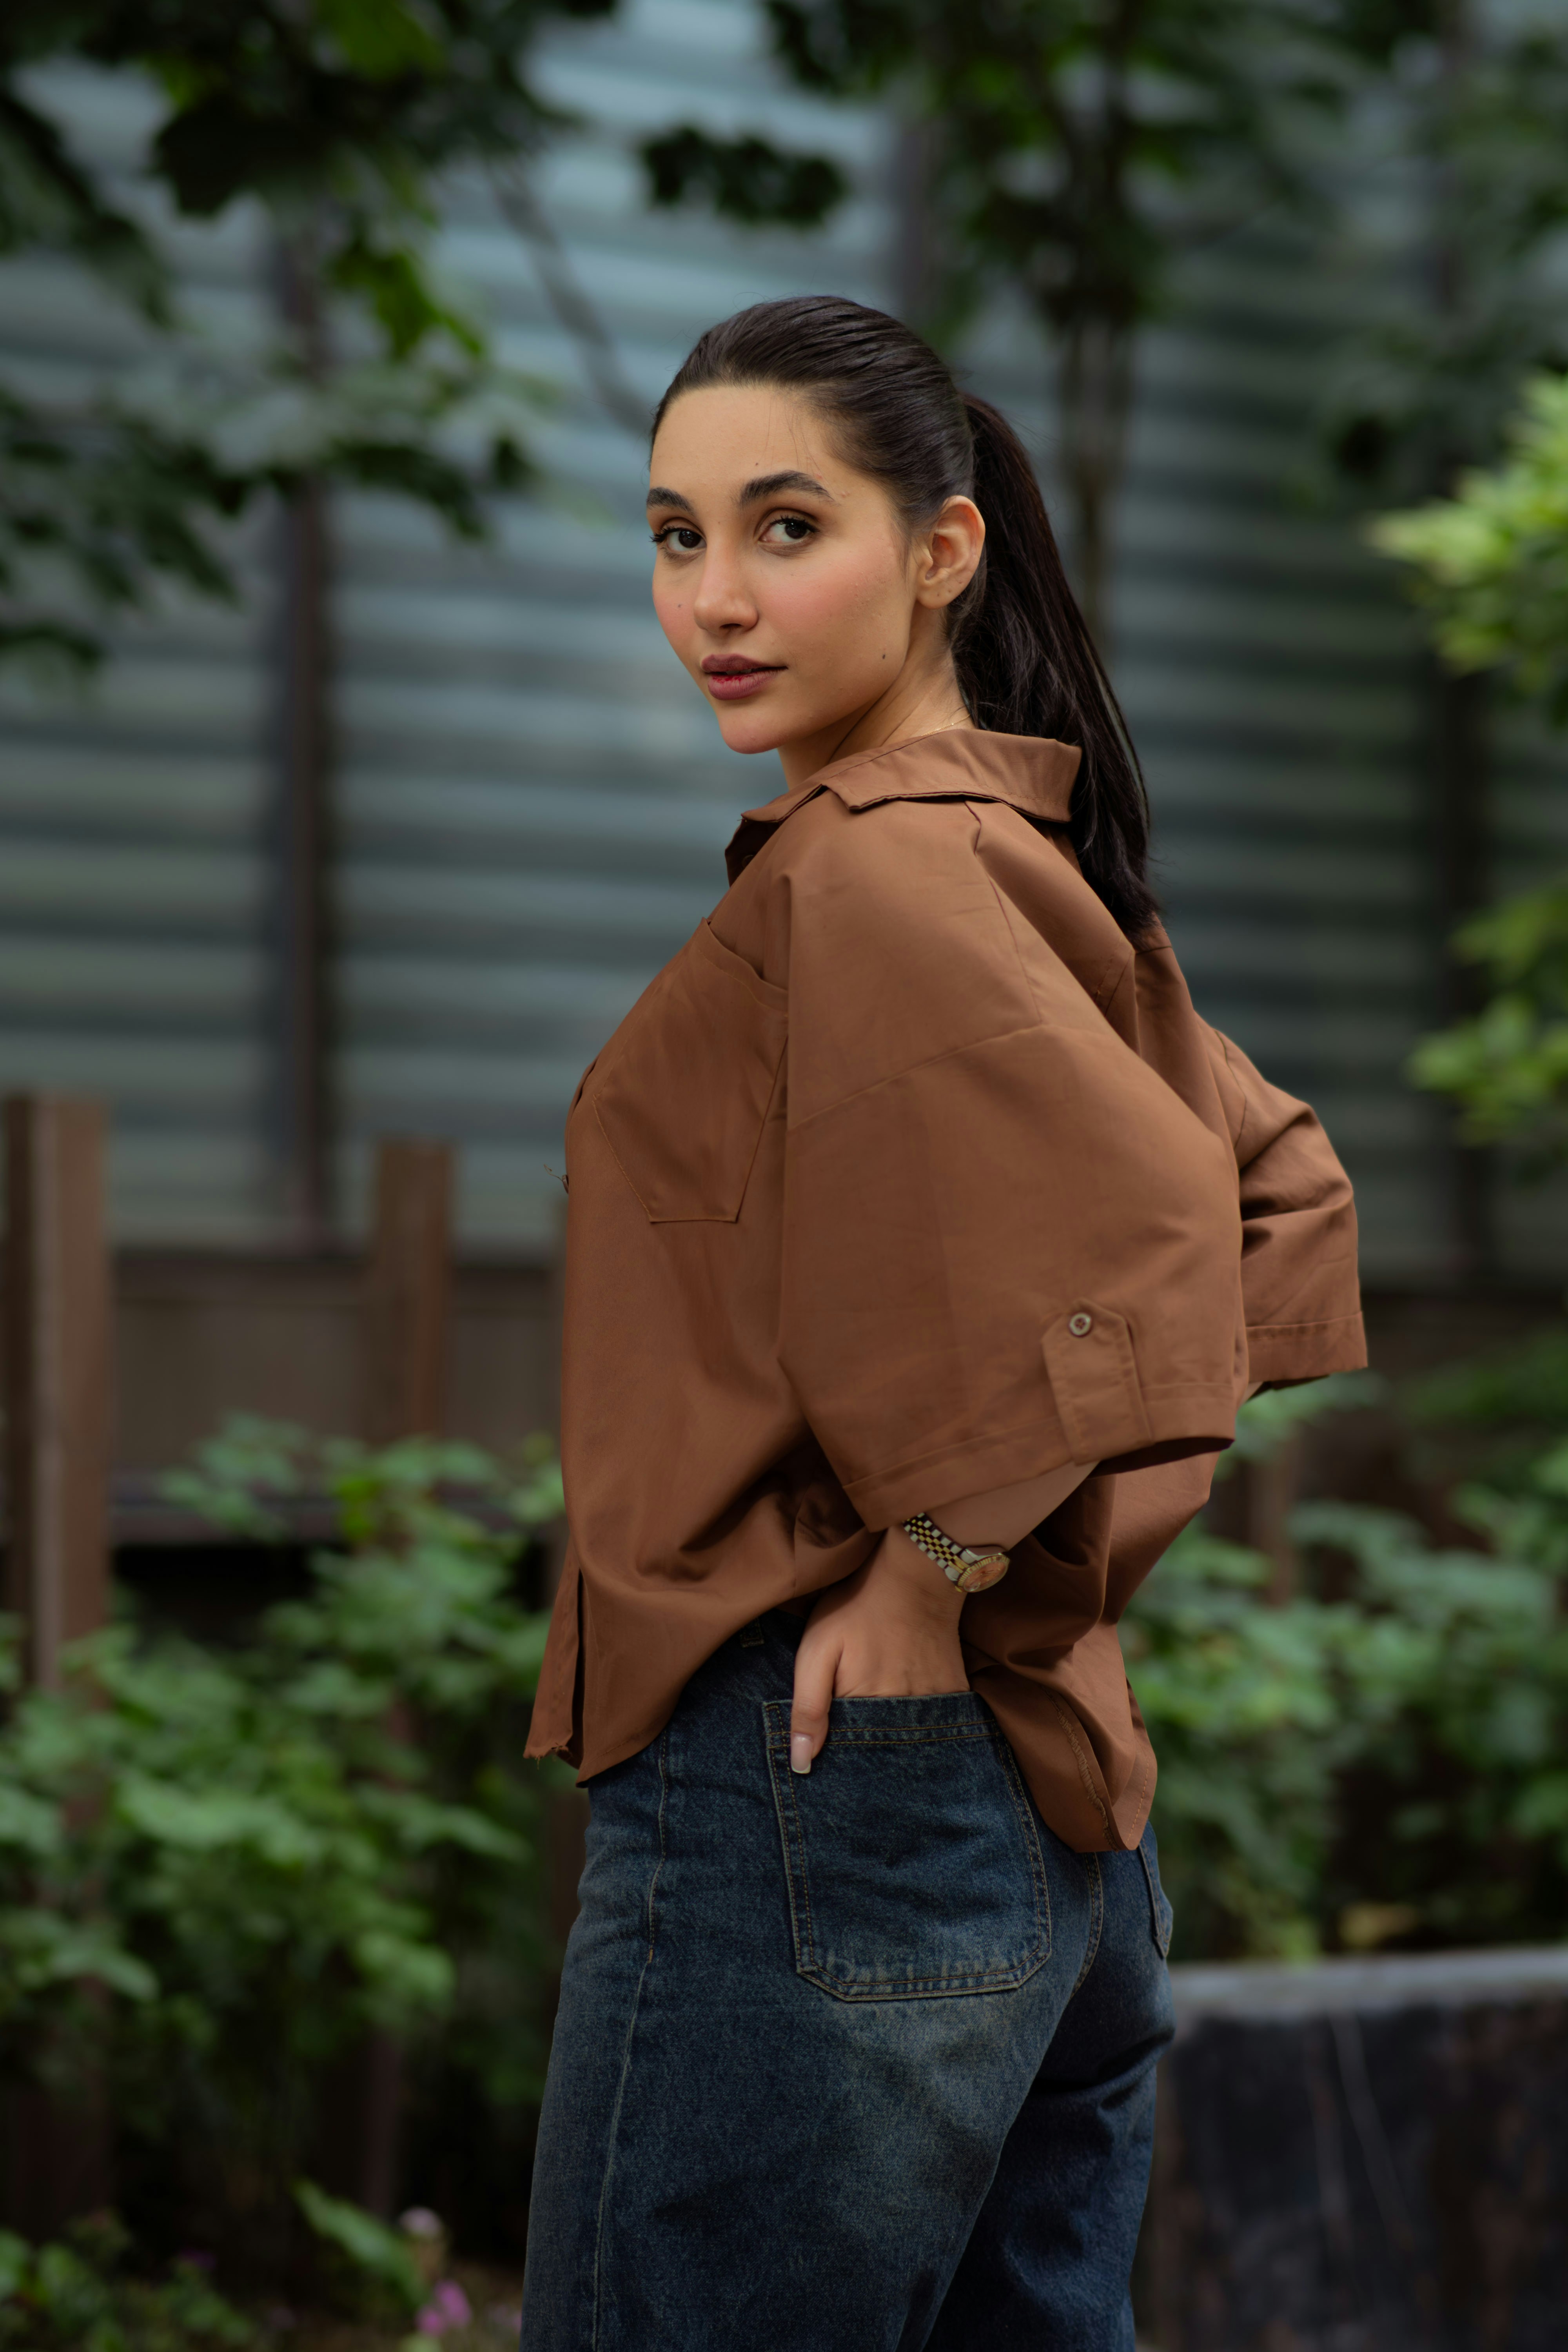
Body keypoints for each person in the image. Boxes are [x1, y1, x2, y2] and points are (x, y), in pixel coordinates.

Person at [519, 295, 1364, 2351]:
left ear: (941, 550)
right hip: (1016, 1807)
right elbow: (1274, 1189)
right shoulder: (999, 852)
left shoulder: (882, 874)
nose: (715, 597)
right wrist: (1045, 1584)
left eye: (784, 527)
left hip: (819, 1790)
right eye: (672, 536)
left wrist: (946, 1563)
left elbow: (1172, 1238)